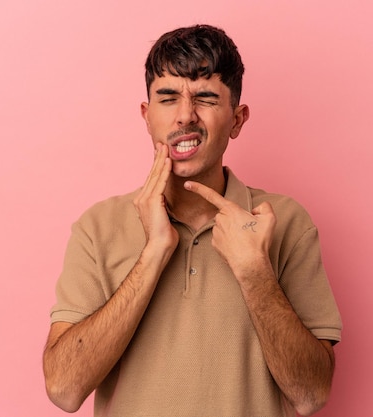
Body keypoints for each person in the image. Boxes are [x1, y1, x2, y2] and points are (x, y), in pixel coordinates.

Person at [43, 24, 342, 417]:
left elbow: (310, 396)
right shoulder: (97, 227)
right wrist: (153, 253)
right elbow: (64, 390)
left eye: (205, 98)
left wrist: (254, 271)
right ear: (147, 116)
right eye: (168, 98)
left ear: (237, 120)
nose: (186, 116)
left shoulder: (284, 222)